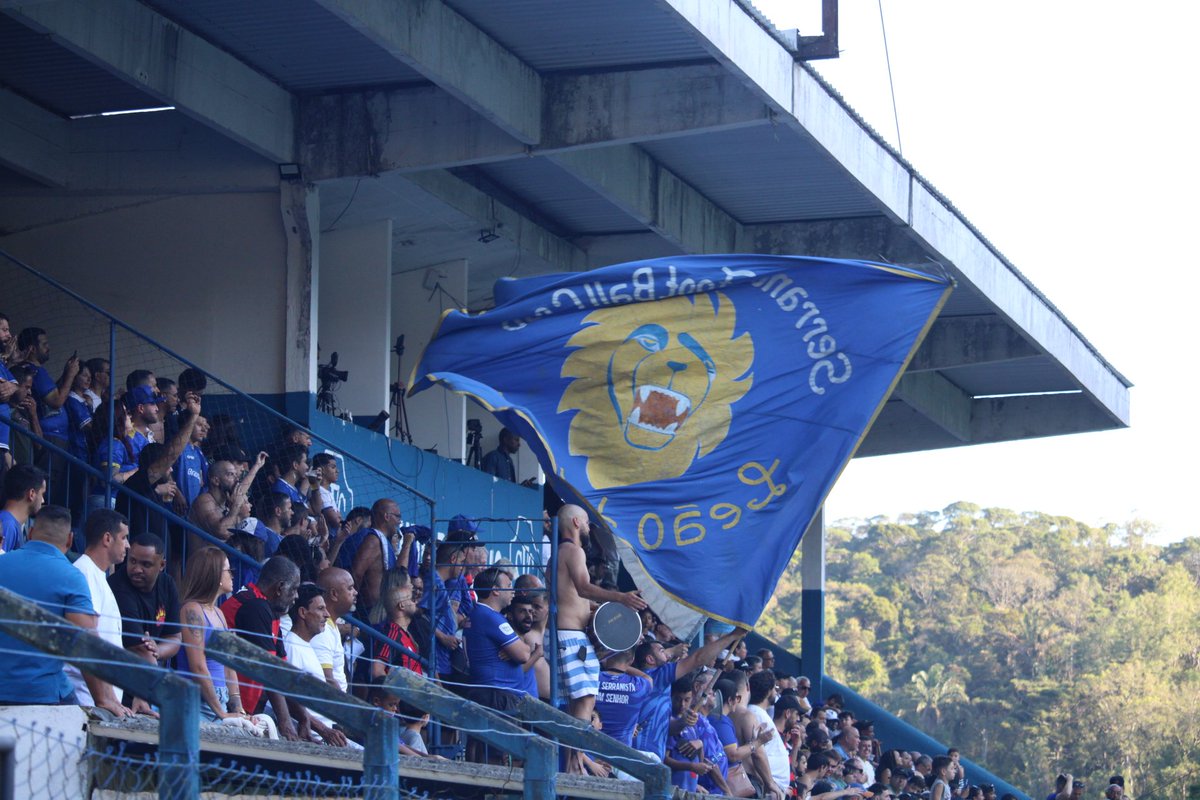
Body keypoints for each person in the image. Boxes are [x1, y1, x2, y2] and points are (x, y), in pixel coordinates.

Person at [0, 505, 130, 715]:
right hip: (42, 696)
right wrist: (103, 699)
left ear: (31, 533)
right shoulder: (71, 577)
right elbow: (85, 642)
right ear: (70, 540)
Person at [554, 503, 647, 769]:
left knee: (577, 704)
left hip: (567, 637)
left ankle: (574, 762)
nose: (587, 528)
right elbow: (583, 588)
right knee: (585, 701)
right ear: (574, 522)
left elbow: (575, 599)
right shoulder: (573, 550)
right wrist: (621, 597)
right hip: (571, 638)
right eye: (584, 522)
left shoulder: (560, 553)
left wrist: (613, 612)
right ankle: (575, 764)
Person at [221, 555, 302, 740]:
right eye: (295, 589)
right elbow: (269, 671)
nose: (297, 596)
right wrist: (286, 723)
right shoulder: (254, 606)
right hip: (230, 705)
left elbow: (281, 673)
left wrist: (309, 720)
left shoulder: (268, 609)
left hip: (248, 708)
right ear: (280, 588)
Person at [64, 510, 135, 713]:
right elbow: (88, 638)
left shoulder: (95, 573)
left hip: (99, 699)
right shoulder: (85, 572)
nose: (128, 545)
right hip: (87, 698)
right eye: (124, 538)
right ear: (107, 538)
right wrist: (106, 698)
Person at [176, 545, 245, 720]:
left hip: (218, 701)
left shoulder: (219, 613)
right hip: (197, 703)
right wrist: (221, 713)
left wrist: (238, 709)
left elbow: (229, 666)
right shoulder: (192, 610)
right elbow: (198, 666)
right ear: (215, 575)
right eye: (229, 570)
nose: (232, 574)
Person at [282, 583, 349, 746]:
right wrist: (323, 730)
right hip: (311, 736)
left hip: (324, 733)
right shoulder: (292, 646)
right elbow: (288, 697)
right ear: (303, 612)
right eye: (320, 609)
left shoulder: (305, 645)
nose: (326, 614)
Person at [463, 567, 537, 710]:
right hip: (496, 697)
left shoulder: (481, 613)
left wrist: (513, 649)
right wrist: (521, 647)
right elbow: (524, 654)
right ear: (496, 590)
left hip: (493, 694)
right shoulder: (490, 616)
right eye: (509, 586)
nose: (513, 591)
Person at [108, 533, 183, 669]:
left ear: (162, 565)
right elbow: (140, 649)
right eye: (132, 561)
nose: (137, 569)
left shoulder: (167, 584)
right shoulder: (118, 587)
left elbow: (175, 638)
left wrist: (158, 650)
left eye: (146, 564)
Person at [352, 498, 414, 611]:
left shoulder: (384, 542)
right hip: (366, 611)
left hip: (378, 612)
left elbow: (398, 575)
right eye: (398, 516)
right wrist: (351, 604)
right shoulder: (373, 539)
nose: (400, 521)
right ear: (387, 516)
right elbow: (357, 573)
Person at [745, 669, 790, 799]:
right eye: (775, 689)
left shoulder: (760, 712)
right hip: (768, 787)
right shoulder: (755, 713)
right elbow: (755, 753)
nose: (776, 692)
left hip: (773, 786)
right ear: (769, 691)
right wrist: (768, 782)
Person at [371, 574, 424, 679]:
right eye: (412, 599)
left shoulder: (404, 633)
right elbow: (377, 670)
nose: (416, 601)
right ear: (402, 605)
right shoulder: (392, 633)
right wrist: (394, 695)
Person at [314, 566, 357, 691]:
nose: (355, 592)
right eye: (350, 588)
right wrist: (345, 706)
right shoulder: (322, 630)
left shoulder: (330, 625)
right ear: (334, 594)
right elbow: (326, 680)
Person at [0, 463, 46, 553]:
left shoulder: (9, 523)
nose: (43, 500)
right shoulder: (7, 525)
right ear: (31, 494)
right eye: (42, 494)